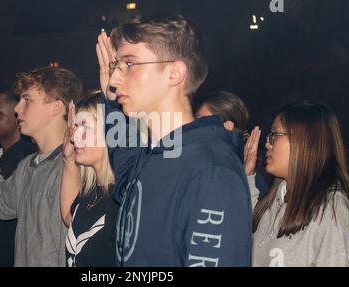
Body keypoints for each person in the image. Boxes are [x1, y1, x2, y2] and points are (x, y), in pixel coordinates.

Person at [96, 14, 252, 266]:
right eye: (116, 67)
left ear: (175, 73)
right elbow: (127, 176)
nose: (114, 80)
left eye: (130, 64)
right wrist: (111, 104)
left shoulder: (211, 170)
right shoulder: (160, 154)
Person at [0, 67, 84, 266]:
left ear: (56, 107)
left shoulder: (77, 166)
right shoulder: (27, 167)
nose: (17, 108)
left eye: (27, 100)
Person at [245, 101, 349, 266]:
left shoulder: (330, 207)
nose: (267, 144)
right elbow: (251, 222)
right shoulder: (279, 195)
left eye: (274, 135)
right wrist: (248, 174)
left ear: (305, 141)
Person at [61, 95, 119, 267]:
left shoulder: (123, 198)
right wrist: (68, 160)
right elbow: (68, 217)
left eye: (85, 127)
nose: (75, 137)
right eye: (75, 127)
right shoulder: (92, 192)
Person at [195, 90, 269, 197]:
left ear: (228, 126)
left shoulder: (245, 175)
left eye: (201, 120)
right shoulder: (207, 157)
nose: (194, 125)